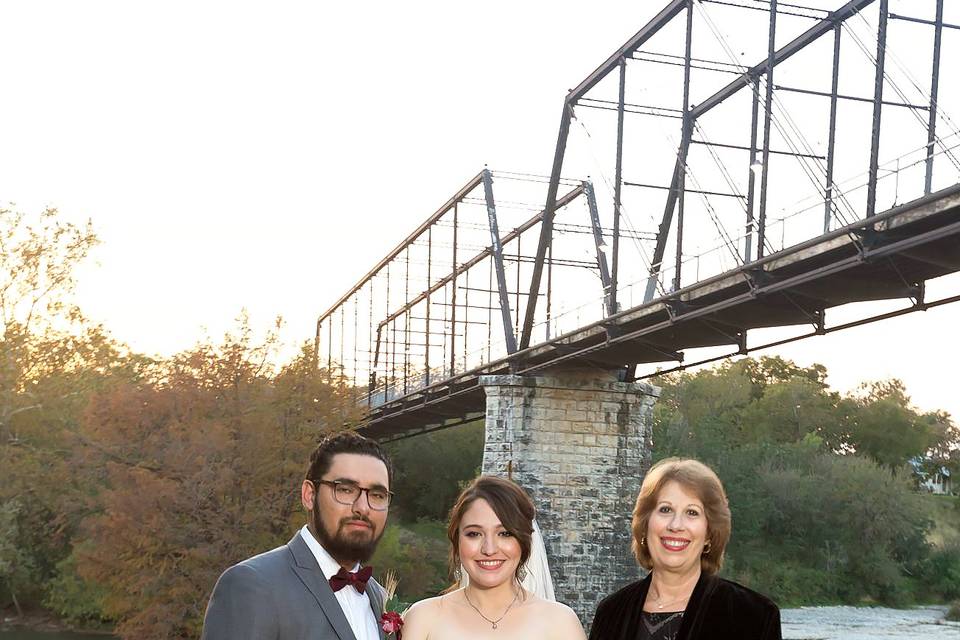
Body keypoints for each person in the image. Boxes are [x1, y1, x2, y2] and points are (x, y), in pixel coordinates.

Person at [201, 431, 393, 640]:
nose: (363, 508)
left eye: (377, 495)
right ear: (309, 495)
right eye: (345, 490)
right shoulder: (251, 585)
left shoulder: (381, 598)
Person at [590, 458, 781, 640]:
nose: (676, 525)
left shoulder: (752, 615)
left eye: (692, 512)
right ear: (645, 524)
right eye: (665, 509)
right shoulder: (611, 612)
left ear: (709, 534)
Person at [403, 476, 585, 640]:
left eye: (505, 533)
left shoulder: (560, 623)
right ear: (456, 539)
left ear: (524, 540)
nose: (489, 549)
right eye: (474, 534)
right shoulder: (423, 618)